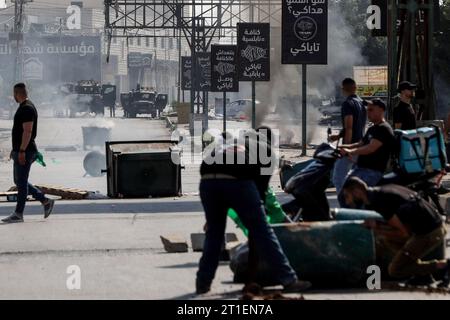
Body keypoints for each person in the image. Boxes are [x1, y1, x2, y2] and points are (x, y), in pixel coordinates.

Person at [196, 128, 311, 294]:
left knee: (214, 233)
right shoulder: (268, 152)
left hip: (207, 181)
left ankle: (203, 283)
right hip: (237, 181)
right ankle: (288, 279)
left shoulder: (232, 143)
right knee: (263, 232)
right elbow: (261, 195)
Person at [342, 177, 450, 287]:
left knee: (395, 270)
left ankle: (443, 266)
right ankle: (422, 276)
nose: (347, 201)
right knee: (386, 239)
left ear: (357, 191)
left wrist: (376, 229)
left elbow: (402, 233)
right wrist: (378, 226)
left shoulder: (379, 201)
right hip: (432, 225)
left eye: (347, 196)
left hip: (430, 232)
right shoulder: (381, 191)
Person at [2, 83, 55, 224]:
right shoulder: (24, 107)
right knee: (19, 181)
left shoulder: (27, 108)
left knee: (21, 182)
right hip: (21, 150)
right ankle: (45, 201)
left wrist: (21, 150)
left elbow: (28, 131)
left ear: (17, 93)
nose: (13, 97)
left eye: (14, 94)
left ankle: (18, 214)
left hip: (26, 151)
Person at [339, 99, 395, 188]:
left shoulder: (383, 129)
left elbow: (370, 148)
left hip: (371, 172)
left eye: (371, 110)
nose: (368, 113)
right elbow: (359, 144)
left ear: (381, 110)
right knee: (345, 190)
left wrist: (350, 151)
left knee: (352, 194)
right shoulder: (372, 128)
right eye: (367, 110)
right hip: (360, 168)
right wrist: (341, 147)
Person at [329, 78, 367, 195]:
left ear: (343, 90)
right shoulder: (361, 102)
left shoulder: (347, 104)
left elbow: (349, 127)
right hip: (360, 145)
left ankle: (345, 203)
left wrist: (346, 148)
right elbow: (356, 125)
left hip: (351, 148)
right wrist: (338, 136)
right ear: (355, 88)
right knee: (354, 179)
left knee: (338, 178)